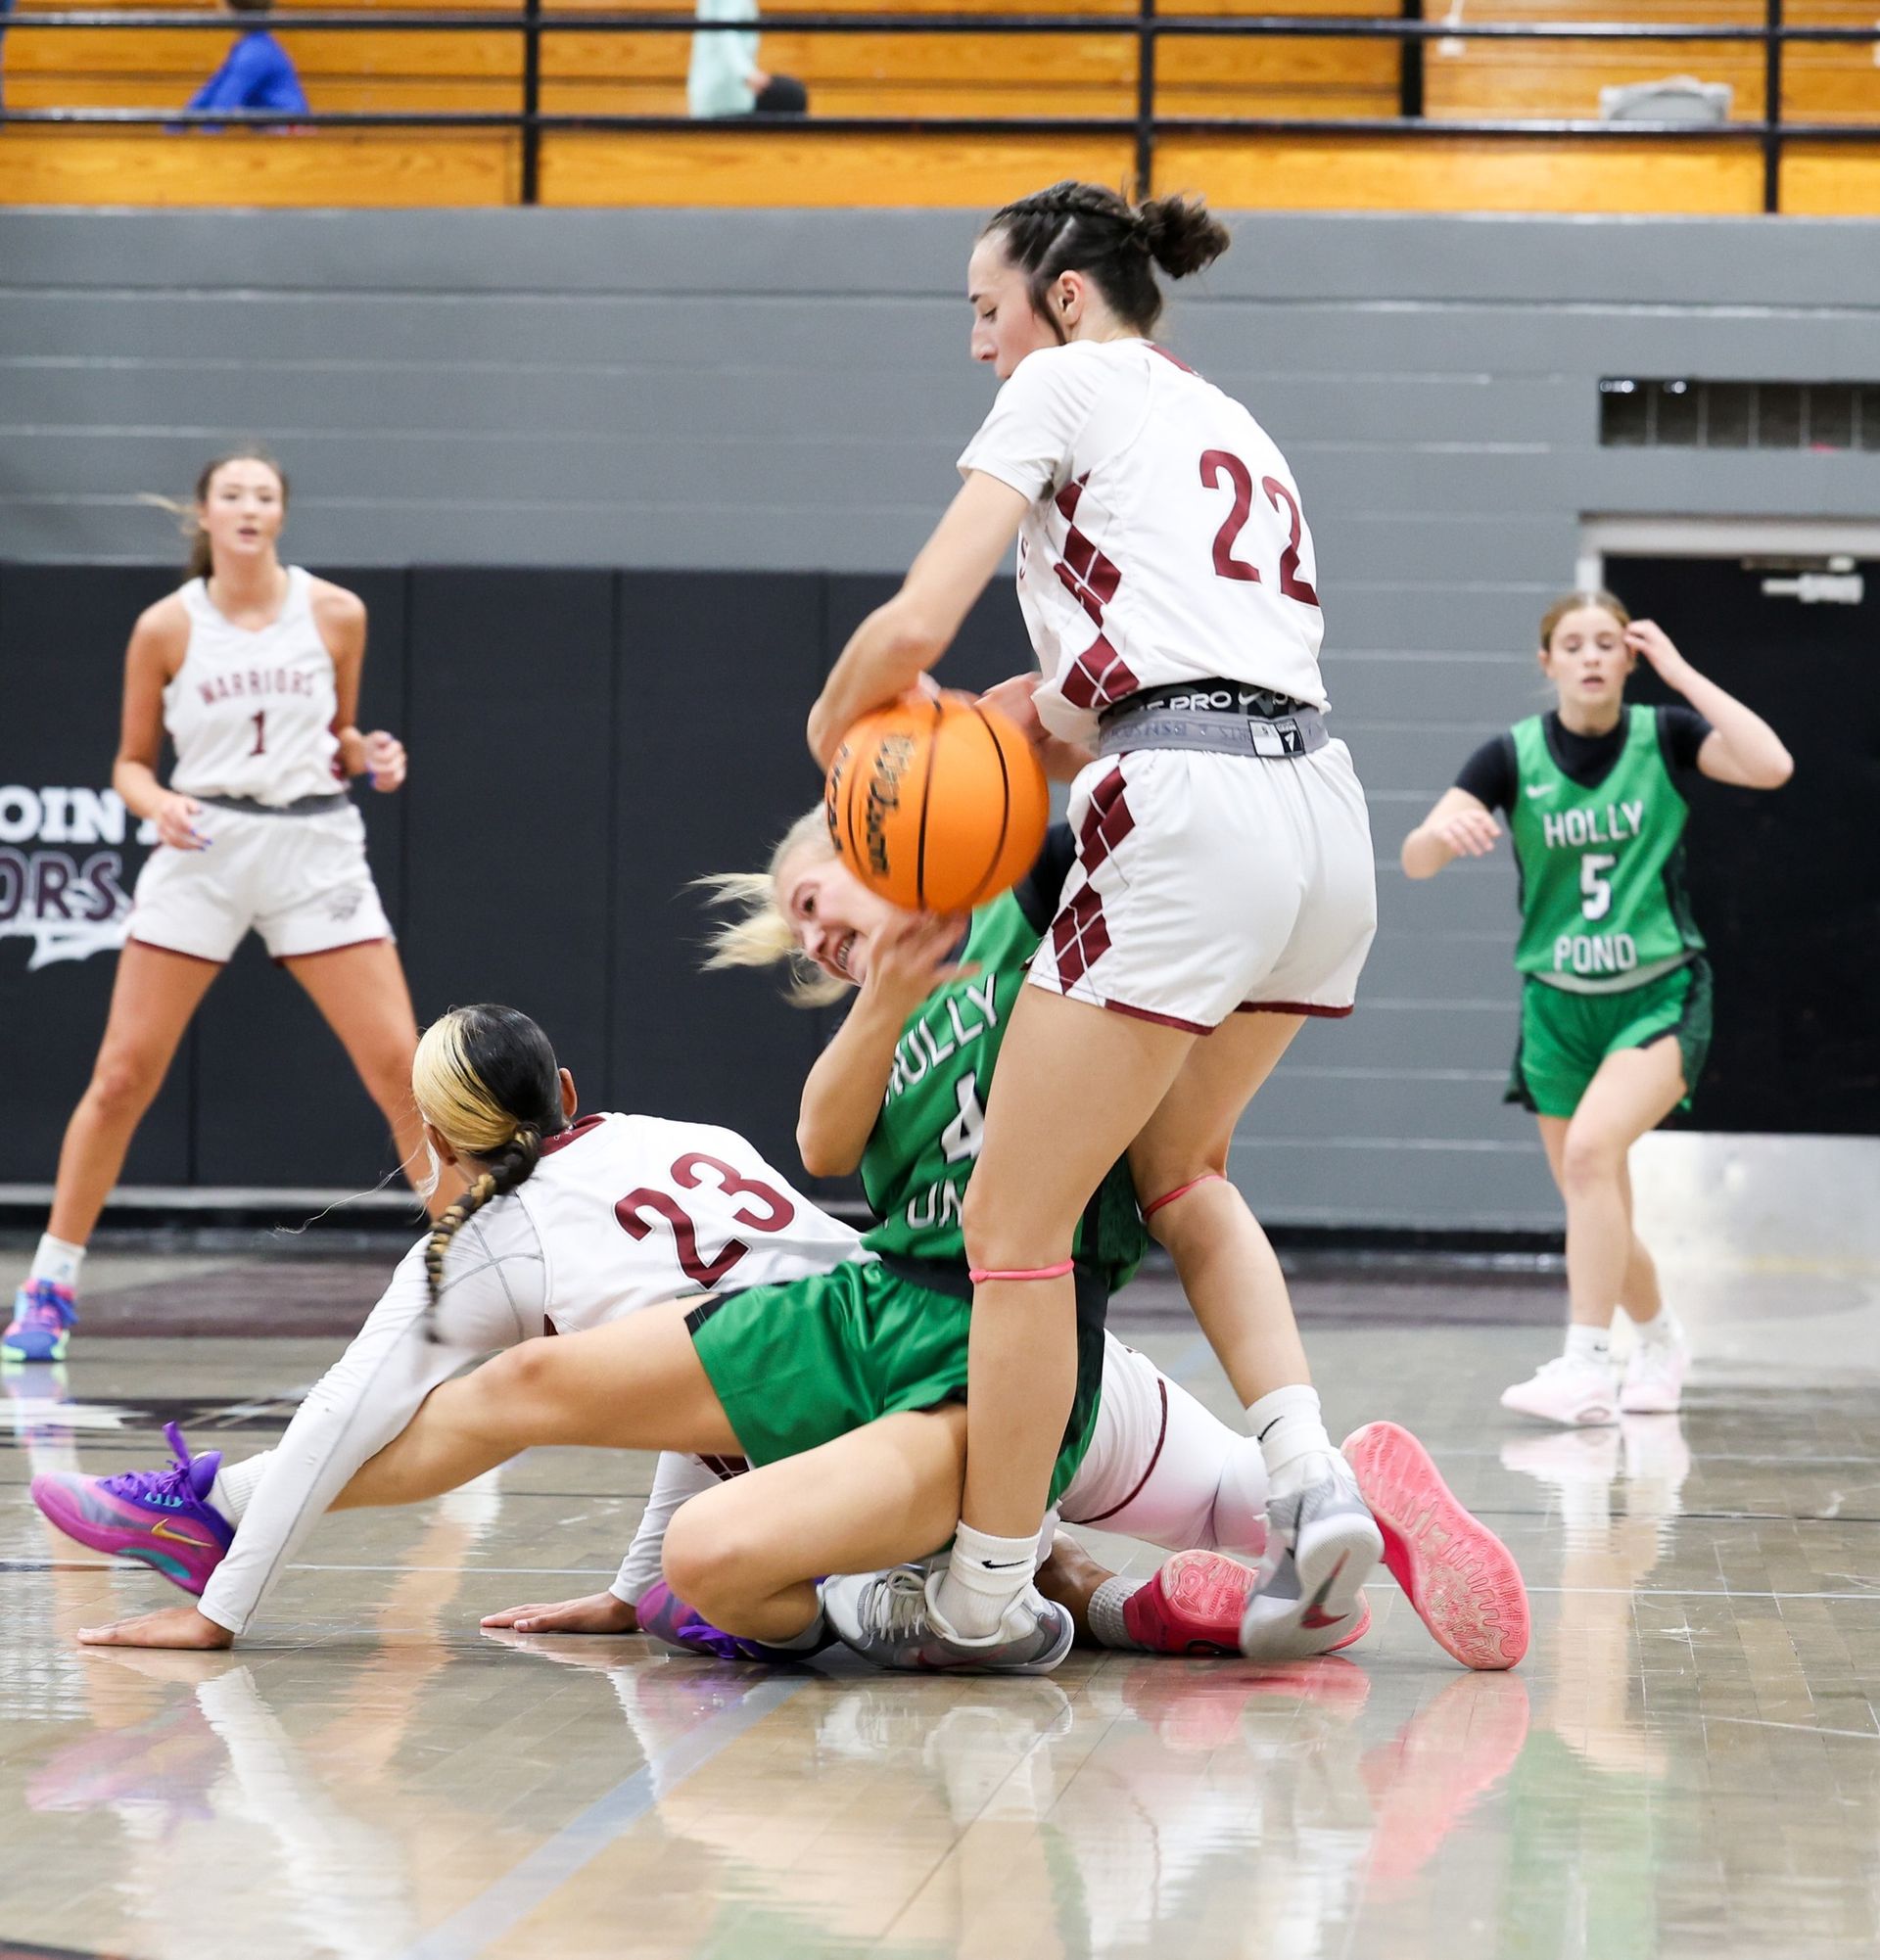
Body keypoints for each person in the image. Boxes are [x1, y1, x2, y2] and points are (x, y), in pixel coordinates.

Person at [37, 837, 1524, 1668]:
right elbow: (758, 1265)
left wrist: (226, 1575)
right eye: (801, 922)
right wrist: (635, 1587)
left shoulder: (1020, 935)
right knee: (1194, 1518)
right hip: (927, 1346)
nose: (809, 926)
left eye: (822, 892)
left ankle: (202, 1506)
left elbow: (363, 1404)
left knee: (928, 1546)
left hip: (978, 1355)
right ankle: (1225, 1551)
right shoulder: (749, 1105)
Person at [804, 180, 1381, 1661]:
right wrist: (1042, 722)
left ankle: (986, 1590)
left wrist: (836, 728)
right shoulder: (1228, 420)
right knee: (1182, 1171)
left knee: (1012, 1225)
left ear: (1063, 297)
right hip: (1322, 811)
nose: (978, 344)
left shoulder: (1063, 383)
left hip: (1186, 807)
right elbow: (1137, 680)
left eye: (984, 309)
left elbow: (915, 624)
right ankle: (1310, 1478)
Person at [3, 448, 436, 1368]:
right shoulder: (166, 625)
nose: (248, 507)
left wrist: (371, 754)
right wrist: (156, 802)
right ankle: (49, 1284)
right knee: (123, 1073)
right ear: (204, 514)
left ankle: (471, 1278)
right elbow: (129, 763)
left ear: (280, 514)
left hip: (313, 843)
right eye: (231, 494)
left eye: (264, 495)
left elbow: (338, 739)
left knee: (402, 1068)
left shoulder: (336, 611)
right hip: (203, 844)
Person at [1400, 590, 1792, 1425]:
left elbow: (1771, 765)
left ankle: (1586, 1365)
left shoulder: (1664, 734)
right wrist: (1441, 837)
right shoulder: (1509, 756)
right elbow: (1415, 860)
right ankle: (1659, 1339)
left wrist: (1681, 673)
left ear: (1628, 658)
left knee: (1587, 1158)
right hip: (1557, 1008)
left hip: (1657, 995)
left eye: (1607, 643)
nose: (1589, 656)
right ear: (1547, 662)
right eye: (1573, 644)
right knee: (1594, 1196)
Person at [183, 0, 308, 122]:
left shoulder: (255, 52)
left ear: (229, 7)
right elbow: (210, 92)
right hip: (277, 127)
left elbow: (222, 106)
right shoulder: (249, 46)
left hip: (288, 130)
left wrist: (206, 133)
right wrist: (178, 124)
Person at [688, 0, 807, 119]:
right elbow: (725, 31)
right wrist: (747, 73)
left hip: (720, 91)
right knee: (792, 96)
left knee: (790, 94)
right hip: (727, 94)